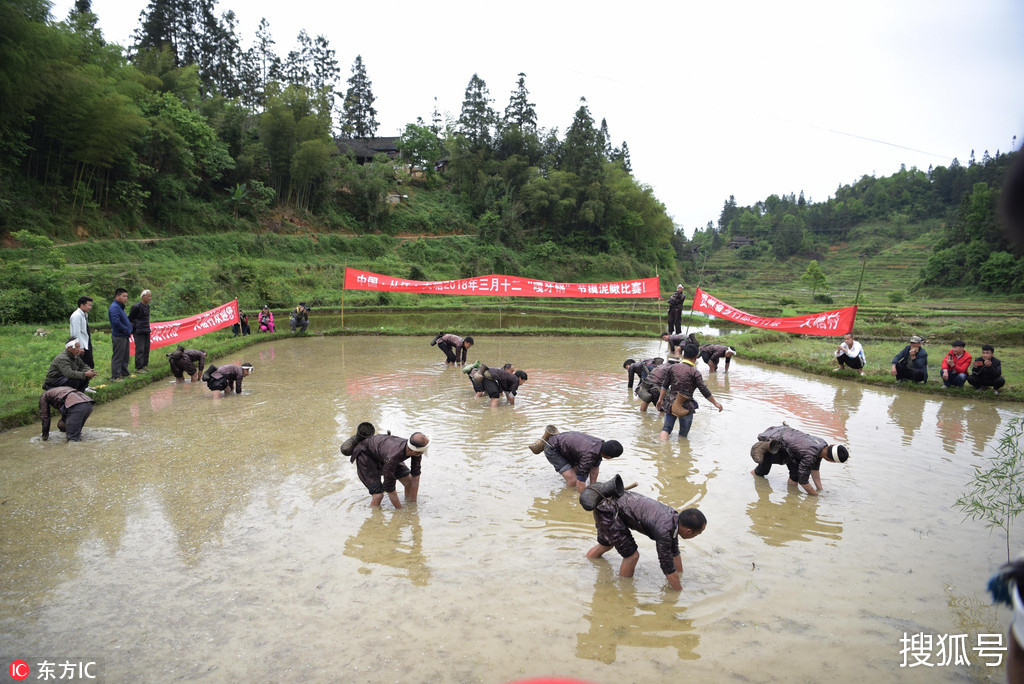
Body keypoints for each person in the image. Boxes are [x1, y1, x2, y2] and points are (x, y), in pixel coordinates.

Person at [586, 494, 706, 591]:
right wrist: (679, 592)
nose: (697, 536)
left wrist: (680, 575)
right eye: (698, 533)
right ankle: (625, 590)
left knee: (606, 544)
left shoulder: (673, 518)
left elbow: (674, 550)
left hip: (608, 506)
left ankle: (586, 562)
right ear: (688, 531)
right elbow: (667, 566)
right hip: (609, 512)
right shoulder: (665, 530)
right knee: (632, 556)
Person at [749, 424, 849, 496]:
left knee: (795, 474)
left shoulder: (822, 444)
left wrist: (820, 489)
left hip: (785, 439)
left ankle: (791, 495)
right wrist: (815, 496)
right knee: (763, 471)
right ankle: (750, 477)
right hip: (772, 442)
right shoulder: (811, 455)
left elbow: (815, 470)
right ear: (831, 461)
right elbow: (803, 481)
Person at [656, 343, 723, 440]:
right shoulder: (695, 372)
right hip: (686, 405)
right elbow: (704, 391)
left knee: (666, 429)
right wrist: (715, 403)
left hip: (671, 403)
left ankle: (662, 449)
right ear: (695, 358)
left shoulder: (672, 367)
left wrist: (660, 400)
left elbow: (665, 385)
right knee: (683, 435)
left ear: (683, 355)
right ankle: (683, 453)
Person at [351, 431, 428, 508]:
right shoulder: (393, 457)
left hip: (385, 453)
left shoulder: (416, 450)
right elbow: (389, 487)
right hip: (366, 455)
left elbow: (416, 474)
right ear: (415, 451)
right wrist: (399, 511)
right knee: (378, 495)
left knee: (409, 481)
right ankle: (374, 516)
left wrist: (413, 504)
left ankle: (408, 502)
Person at [541, 431, 623, 492]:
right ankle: (567, 495)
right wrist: (584, 497)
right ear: (609, 457)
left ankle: (569, 479)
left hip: (567, 447)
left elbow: (595, 467)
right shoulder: (589, 456)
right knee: (573, 480)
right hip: (553, 449)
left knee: (577, 474)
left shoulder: (600, 446)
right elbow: (580, 482)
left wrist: (593, 487)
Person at [108, 288, 132, 381]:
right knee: (118, 357)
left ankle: (124, 373)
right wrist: (126, 329)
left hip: (124, 335)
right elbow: (116, 322)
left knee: (125, 356)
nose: (126, 298)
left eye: (127, 296)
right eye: (124, 296)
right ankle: (116, 376)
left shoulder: (120, 307)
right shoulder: (114, 307)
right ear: (117, 296)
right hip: (119, 336)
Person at [128, 289, 152, 373]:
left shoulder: (147, 307)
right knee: (140, 349)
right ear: (143, 297)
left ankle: (145, 365)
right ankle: (139, 367)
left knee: (146, 348)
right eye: (148, 296)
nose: (150, 298)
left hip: (146, 330)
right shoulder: (136, 307)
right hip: (138, 330)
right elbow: (130, 318)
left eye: (150, 296)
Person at [69, 296, 95, 371]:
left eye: (91, 305)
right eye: (89, 305)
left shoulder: (84, 314)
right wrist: (79, 347)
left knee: (89, 364)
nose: (90, 307)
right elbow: (76, 333)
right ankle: (81, 381)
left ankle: (86, 380)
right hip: (81, 345)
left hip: (86, 343)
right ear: (82, 305)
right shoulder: (77, 315)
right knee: (83, 366)